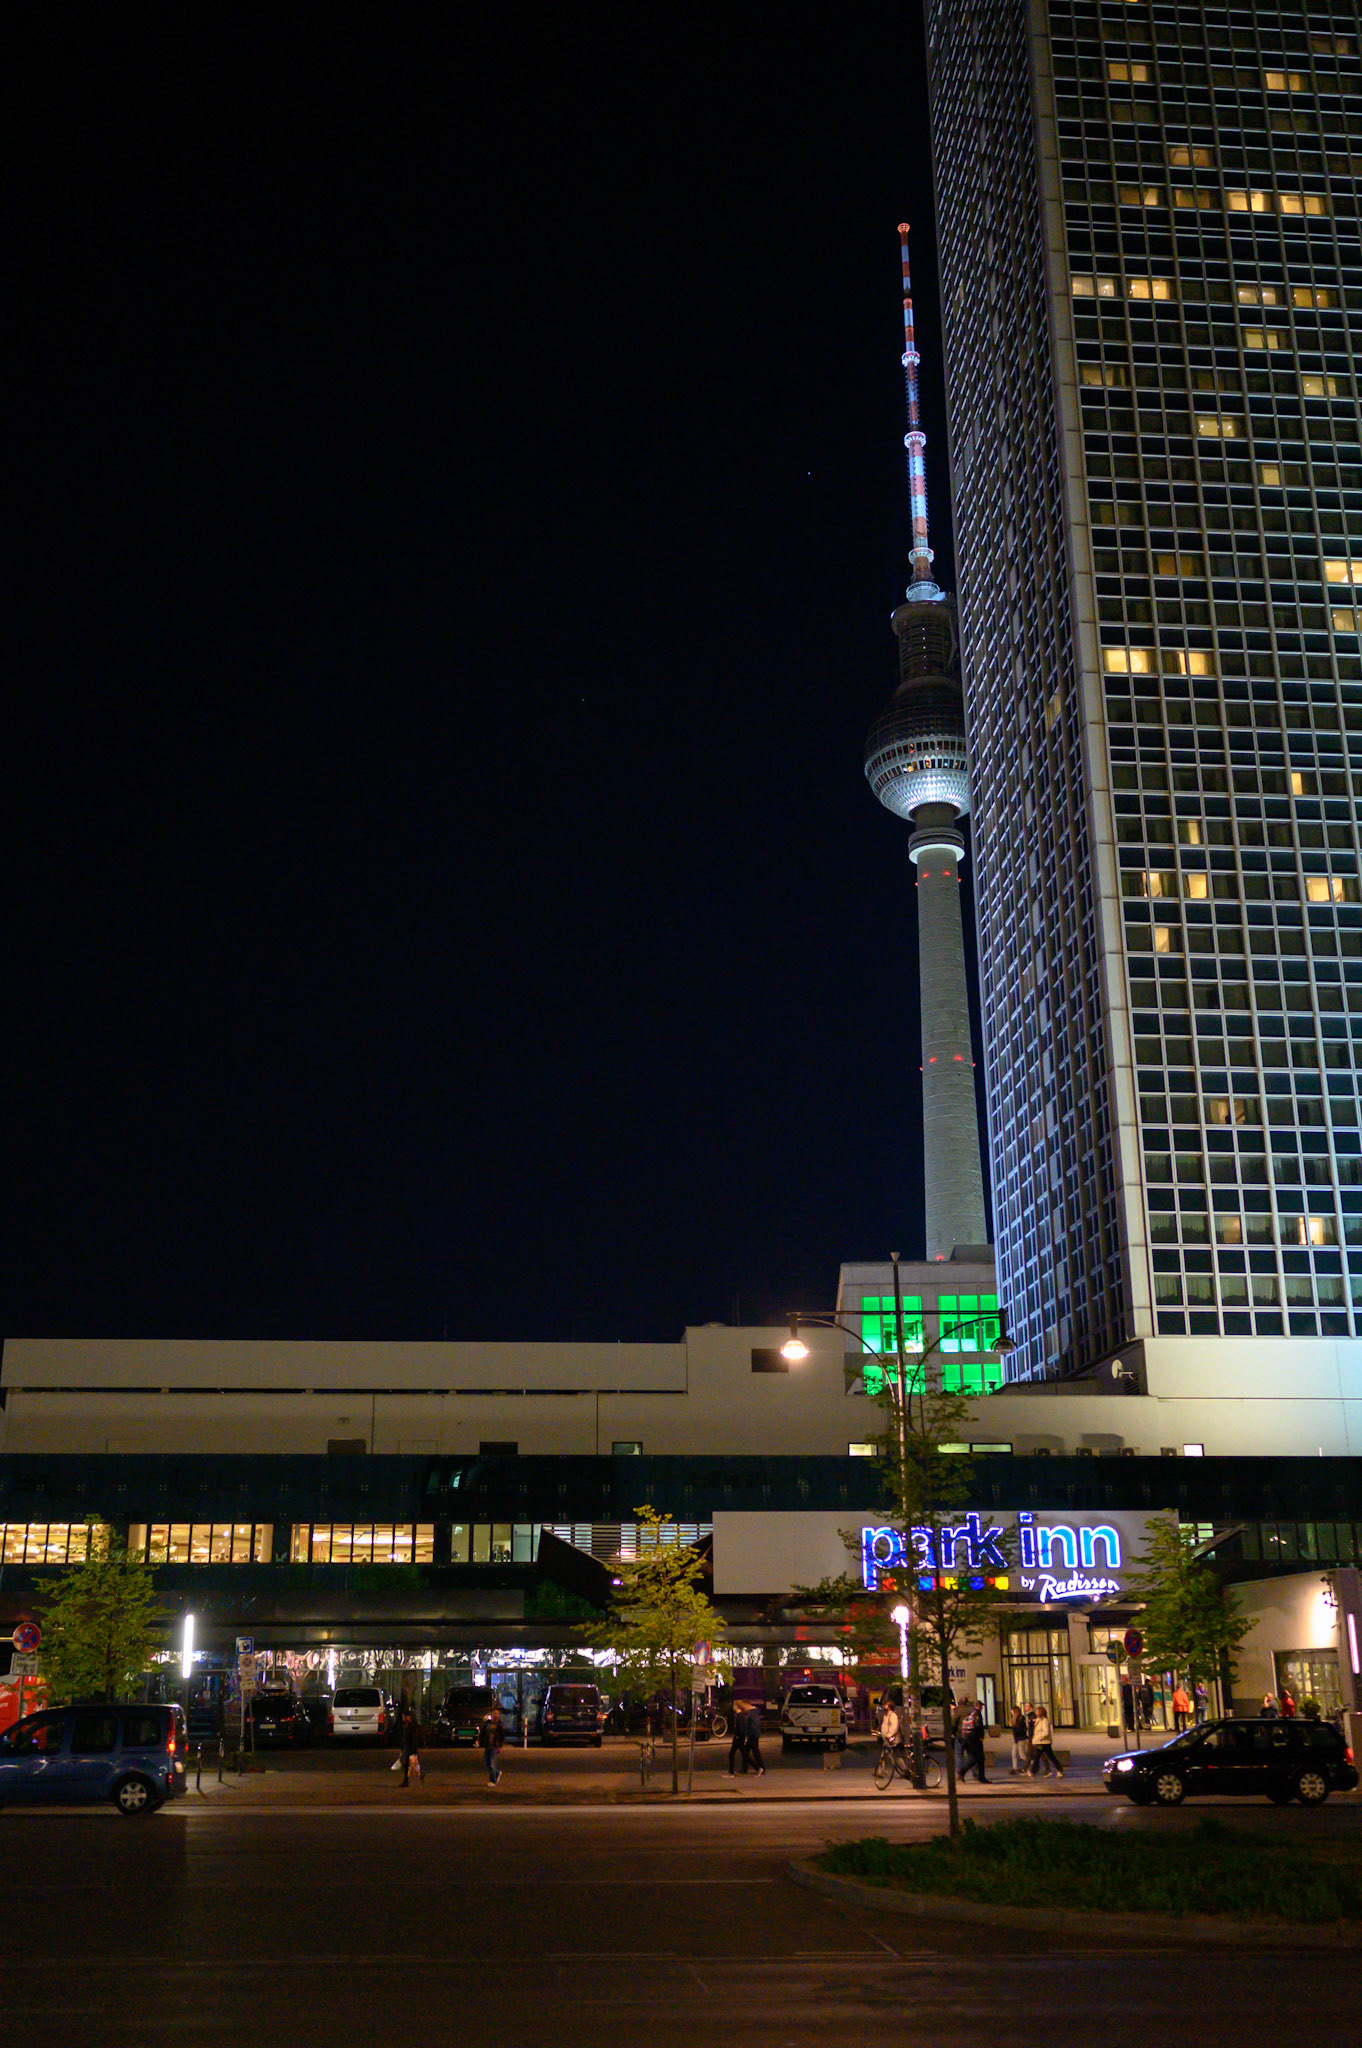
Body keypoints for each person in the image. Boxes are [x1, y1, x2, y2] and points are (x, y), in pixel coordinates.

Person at [1027, 1707, 1063, 1778]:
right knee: (1037, 1756)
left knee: (1050, 1756)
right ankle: (1033, 1772)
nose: (1036, 1713)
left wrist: (1037, 1738)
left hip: (1045, 1742)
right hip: (1040, 1742)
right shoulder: (1038, 1720)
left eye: (1037, 1711)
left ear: (1041, 1712)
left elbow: (1046, 1732)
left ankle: (1059, 1770)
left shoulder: (1045, 1721)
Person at [959, 1701, 988, 1784]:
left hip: (969, 1738)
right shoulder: (977, 1714)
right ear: (978, 1706)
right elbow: (978, 1726)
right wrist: (981, 1736)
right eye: (981, 1706)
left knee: (980, 1759)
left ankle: (981, 1776)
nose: (982, 1708)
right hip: (975, 1739)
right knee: (975, 1758)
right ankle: (963, 1771)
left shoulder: (971, 1713)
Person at [397, 1703, 422, 1787]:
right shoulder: (407, 1726)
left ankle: (407, 1781)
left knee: (409, 1765)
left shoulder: (412, 1727)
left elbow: (412, 1739)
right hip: (408, 1747)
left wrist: (412, 1750)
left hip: (410, 1748)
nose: (404, 1718)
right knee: (410, 1765)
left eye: (405, 1716)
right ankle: (417, 1776)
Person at [480, 1702, 504, 1785]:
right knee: (486, 1762)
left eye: (496, 1713)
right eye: (494, 1713)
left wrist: (500, 1745)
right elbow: (483, 1732)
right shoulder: (488, 1723)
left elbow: (502, 1736)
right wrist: (478, 1740)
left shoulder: (499, 1725)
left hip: (495, 1746)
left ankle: (492, 1780)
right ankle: (496, 1773)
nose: (495, 1715)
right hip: (487, 1745)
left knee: (491, 1763)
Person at [742, 1698, 765, 1777]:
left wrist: (749, 1734)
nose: (743, 1708)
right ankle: (759, 1768)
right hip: (753, 1735)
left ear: (747, 1704)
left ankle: (759, 1768)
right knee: (749, 1752)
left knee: (753, 1752)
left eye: (744, 1706)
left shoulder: (752, 1713)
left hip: (753, 1735)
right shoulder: (752, 1712)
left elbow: (753, 1725)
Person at [726, 1699, 750, 1776]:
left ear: (737, 1706)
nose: (733, 1706)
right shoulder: (738, 1716)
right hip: (738, 1738)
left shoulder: (740, 1716)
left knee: (732, 1754)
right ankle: (756, 1767)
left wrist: (738, 1736)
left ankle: (731, 1772)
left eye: (734, 1705)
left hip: (738, 1738)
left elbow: (741, 1728)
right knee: (744, 1754)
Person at [1009, 1704, 1028, 1775]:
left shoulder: (1021, 1718)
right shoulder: (1013, 1719)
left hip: (1021, 1739)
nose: (1011, 1713)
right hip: (1016, 1739)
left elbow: (1021, 1729)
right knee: (1013, 1754)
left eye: (1012, 1711)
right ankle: (1015, 1768)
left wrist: (1014, 1727)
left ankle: (1029, 1764)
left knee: (1022, 1755)